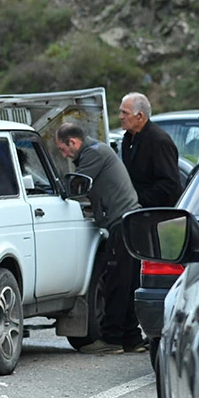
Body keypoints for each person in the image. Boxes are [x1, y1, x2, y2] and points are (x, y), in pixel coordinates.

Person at [55, 122, 144, 354]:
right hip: (130, 222)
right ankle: (132, 338)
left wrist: (55, 190)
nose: (63, 155)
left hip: (121, 224)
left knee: (116, 283)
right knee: (128, 283)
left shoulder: (92, 154)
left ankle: (112, 340)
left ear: (73, 142)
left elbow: (75, 185)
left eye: (63, 149)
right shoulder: (98, 150)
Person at [118, 92, 183, 209]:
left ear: (140, 116)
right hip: (135, 210)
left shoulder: (159, 141)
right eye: (121, 112)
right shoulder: (128, 139)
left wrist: (136, 199)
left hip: (158, 212)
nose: (120, 117)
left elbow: (170, 185)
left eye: (125, 113)